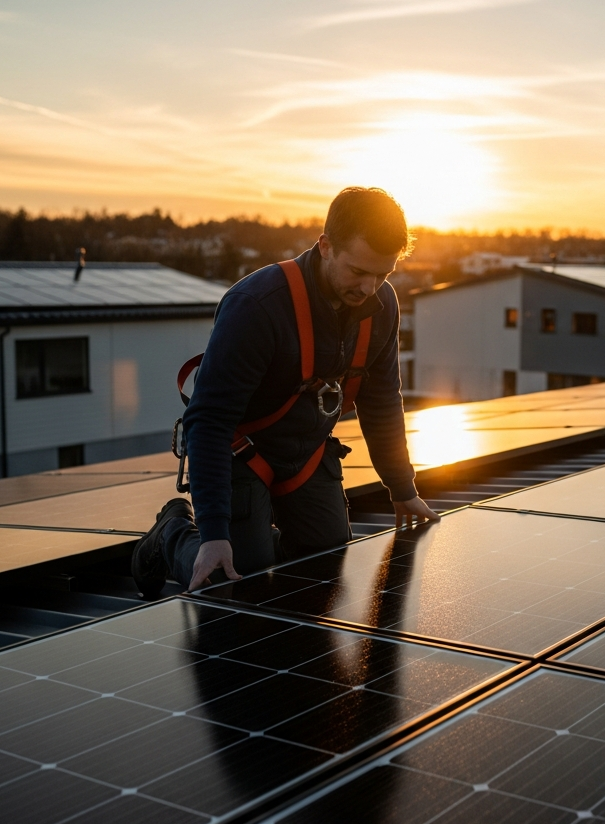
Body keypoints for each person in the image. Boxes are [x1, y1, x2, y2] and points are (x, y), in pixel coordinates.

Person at [131, 186, 439, 596]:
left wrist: (402, 489)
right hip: (239, 452)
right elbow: (209, 419)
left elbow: (381, 400)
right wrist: (214, 532)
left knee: (327, 561)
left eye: (382, 274)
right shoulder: (258, 305)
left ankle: (259, 546)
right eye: (358, 271)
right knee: (231, 572)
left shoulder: (380, 306)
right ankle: (172, 533)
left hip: (306, 452)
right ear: (326, 246)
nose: (369, 288)